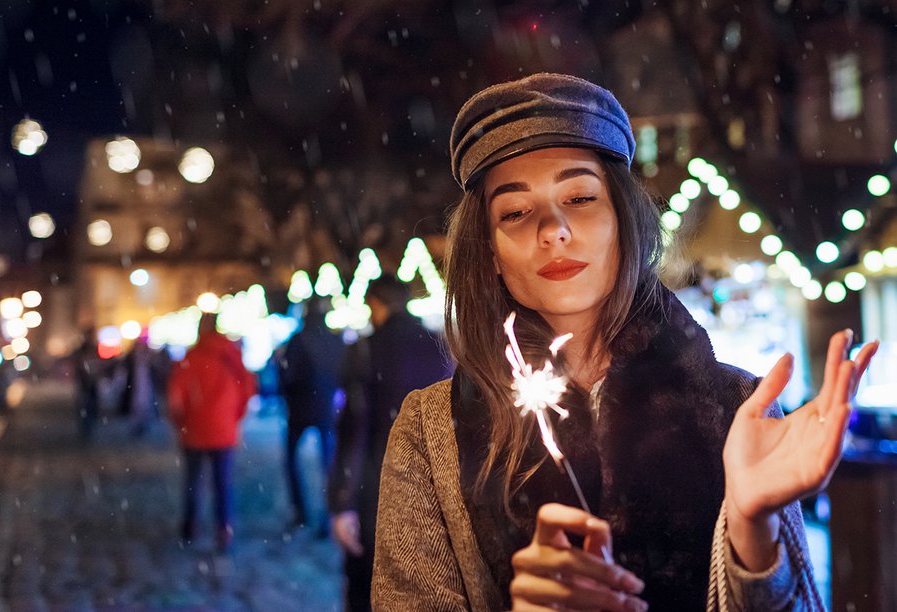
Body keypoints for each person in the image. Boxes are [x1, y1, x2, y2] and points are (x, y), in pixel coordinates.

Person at [372, 73, 879, 611]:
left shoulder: (740, 410)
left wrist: (754, 533)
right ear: (492, 253)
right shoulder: (431, 433)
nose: (554, 228)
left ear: (624, 221)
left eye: (581, 196)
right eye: (515, 212)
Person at [328, 274, 453, 611]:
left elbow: (353, 431)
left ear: (375, 304)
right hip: (434, 483)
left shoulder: (365, 350)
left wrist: (343, 502)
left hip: (378, 480)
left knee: (367, 583)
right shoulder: (438, 345)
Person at [168, 313, 256, 550]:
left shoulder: (191, 358)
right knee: (223, 483)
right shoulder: (231, 355)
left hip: (194, 430)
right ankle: (223, 529)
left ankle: (189, 526)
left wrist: (181, 423)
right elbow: (247, 390)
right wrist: (234, 418)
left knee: (193, 481)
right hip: (223, 430)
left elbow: (175, 398)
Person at [279, 297, 346, 533]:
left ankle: (301, 511)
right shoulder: (335, 340)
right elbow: (344, 375)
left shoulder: (298, 340)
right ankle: (328, 516)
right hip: (326, 409)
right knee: (328, 465)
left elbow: (288, 376)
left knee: (291, 462)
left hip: (300, 408)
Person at [72, 328, 103, 440]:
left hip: (92, 383)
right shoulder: (83, 349)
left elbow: (99, 365)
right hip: (84, 383)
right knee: (85, 405)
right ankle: (86, 428)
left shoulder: (94, 348)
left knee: (90, 406)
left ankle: (89, 427)